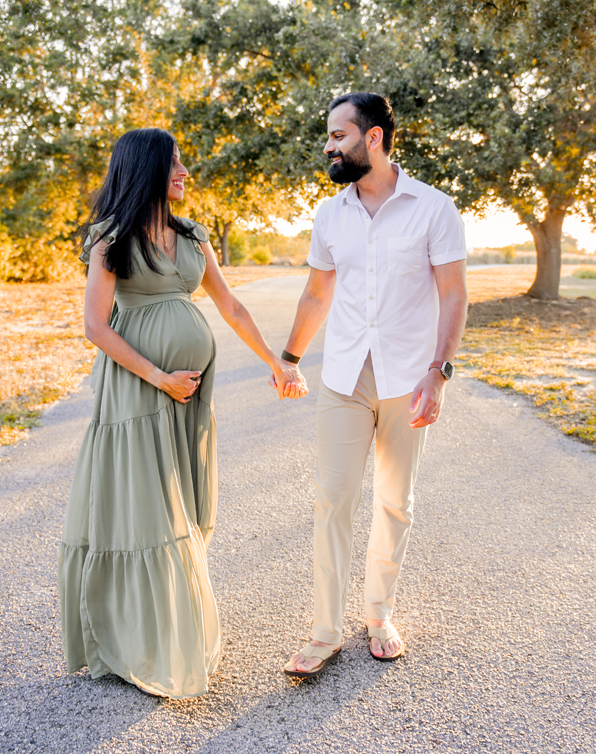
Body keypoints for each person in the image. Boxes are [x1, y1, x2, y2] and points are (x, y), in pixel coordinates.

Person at [59, 127, 305, 699]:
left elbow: (232, 304)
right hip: (138, 391)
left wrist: (276, 361)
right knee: (151, 511)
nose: (185, 174)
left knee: (186, 502)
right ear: (146, 169)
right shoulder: (110, 238)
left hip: (192, 396)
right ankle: (150, 642)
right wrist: (159, 376)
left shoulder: (193, 236)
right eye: (175, 165)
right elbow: (96, 326)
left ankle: (170, 629)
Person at [276, 92, 468, 676]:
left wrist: (438, 373)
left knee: (394, 503)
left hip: (409, 378)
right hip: (343, 377)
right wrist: (289, 357)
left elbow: (454, 294)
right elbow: (317, 293)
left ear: (374, 138)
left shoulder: (434, 208)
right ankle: (325, 630)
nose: (328, 147)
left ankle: (379, 613)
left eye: (338, 136)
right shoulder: (331, 215)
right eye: (330, 137)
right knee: (333, 499)